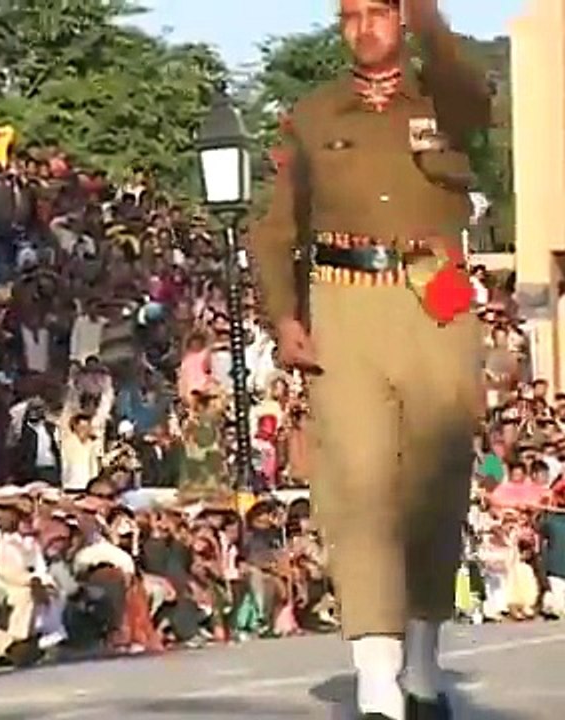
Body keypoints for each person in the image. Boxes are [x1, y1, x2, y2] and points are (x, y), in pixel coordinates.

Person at [250, 1, 490, 718]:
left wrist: (430, 17)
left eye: (378, 12)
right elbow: (276, 226)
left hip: (433, 299)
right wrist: (285, 314)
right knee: (357, 484)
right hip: (342, 298)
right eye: (349, 15)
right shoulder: (315, 114)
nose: (363, 27)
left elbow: (475, 97)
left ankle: (421, 659)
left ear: (403, 19)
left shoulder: (441, 96)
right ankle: (375, 672)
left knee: (435, 480)